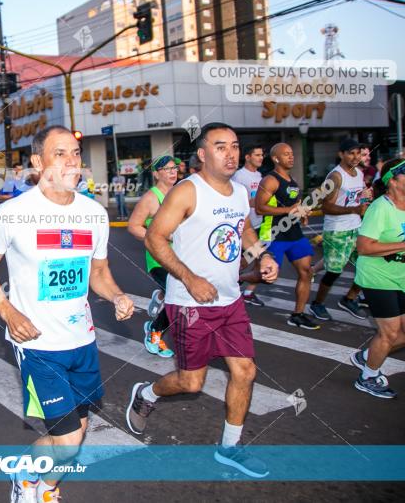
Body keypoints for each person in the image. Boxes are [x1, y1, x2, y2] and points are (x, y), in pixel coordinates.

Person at [0, 125, 135, 503]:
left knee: (78, 429)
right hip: (38, 344)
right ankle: (31, 477)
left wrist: (117, 296)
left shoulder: (93, 214)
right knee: (68, 438)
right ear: (38, 162)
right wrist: (8, 312)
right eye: (60, 153)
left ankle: (39, 482)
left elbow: (98, 273)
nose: (72, 161)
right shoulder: (14, 213)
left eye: (76, 153)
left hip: (83, 341)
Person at [127, 122, 278, 479]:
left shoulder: (240, 191)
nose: (231, 153)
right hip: (190, 304)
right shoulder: (186, 192)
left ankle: (229, 448)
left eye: (235, 146)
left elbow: (242, 229)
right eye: (221, 146)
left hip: (230, 301)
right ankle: (147, 393)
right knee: (190, 383)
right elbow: (154, 239)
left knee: (245, 371)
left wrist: (260, 255)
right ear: (202, 154)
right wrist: (189, 278)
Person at [351, 158, 405, 398]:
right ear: (393, 181)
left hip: (403, 275)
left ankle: (368, 356)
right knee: (389, 332)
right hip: (377, 275)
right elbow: (364, 247)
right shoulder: (380, 208)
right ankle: (368, 376)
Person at [255, 143, 319, 330]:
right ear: (276, 159)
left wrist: (302, 215)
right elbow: (260, 208)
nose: (291, 157)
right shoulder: (270, 180)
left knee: (306, 272)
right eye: (286, 154)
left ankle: (297, 315)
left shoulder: (292, 180)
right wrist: (290, 210)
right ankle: (239, 280)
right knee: (265, 276)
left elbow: (295, 205)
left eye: (292, 154)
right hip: (273, 234)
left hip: (294, 234)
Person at [308, 139, 372, 321]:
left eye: (358, 153)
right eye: (351, 153)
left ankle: (349, 298)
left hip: (356, 227)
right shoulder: (335, 177)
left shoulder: (359, 174)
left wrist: (364, 199)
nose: (355, 157)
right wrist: (353, 209)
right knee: (334, 271)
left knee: (367, 267)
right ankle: (317, 304)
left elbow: (355, 198)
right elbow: (327, 207)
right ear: (341, 154)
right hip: (337, 230)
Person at [127, 155, 179, 359]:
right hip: (159, 259)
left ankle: (160, 296)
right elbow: (133, 226)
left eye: (175, 168)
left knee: (179, 293)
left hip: (181, 258)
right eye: (167, 169)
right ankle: (154, 333)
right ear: (157, 173)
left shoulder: (181, 193)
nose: (173, 172)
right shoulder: (151, 198)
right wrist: (157, 238)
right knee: (177, 297)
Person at [231, 144, 266, 307]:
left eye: (262, 155)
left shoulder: (260, 176)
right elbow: (238, 201)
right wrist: (261, 203)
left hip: (260, 224)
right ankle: (229, 283)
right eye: (257, 155)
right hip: (244, 227)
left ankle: (249, 292)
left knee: (260, 258)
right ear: (247, 157)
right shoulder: (239, 176)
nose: (261, 158)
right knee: (243, 260)